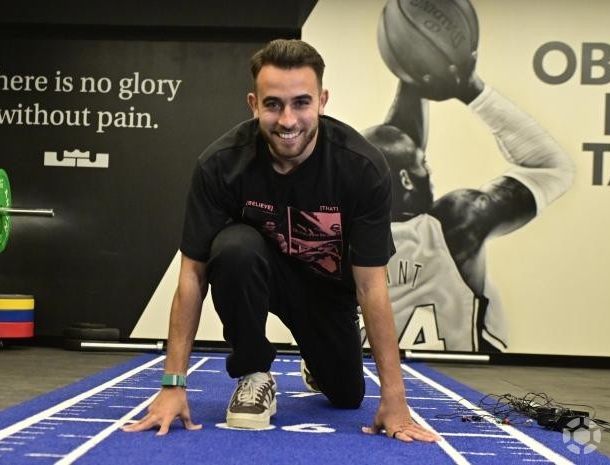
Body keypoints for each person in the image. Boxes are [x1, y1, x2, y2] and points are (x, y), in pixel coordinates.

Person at [122, 39, 438, 442]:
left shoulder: (362, 168)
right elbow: (192, 276)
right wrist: (172, 384)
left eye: (301, 103)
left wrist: (394, 398)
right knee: (233, 248)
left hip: (326, 293)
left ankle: (316, 360)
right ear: (253, 104)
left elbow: (370, 285)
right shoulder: (220, 165)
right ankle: (254, 372)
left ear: (322, 101)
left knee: (346, 396)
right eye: (273, 104)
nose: (288, 120)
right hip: (258, 272)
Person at [364, 72, 574, 352]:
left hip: (367, 368)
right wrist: (473, 91)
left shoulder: (336, 233)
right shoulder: (455, 224)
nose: (428, 170)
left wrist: (412, 73)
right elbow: (552, 168)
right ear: (405, 179)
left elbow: (394, 152)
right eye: (422, 162)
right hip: (463, 372)